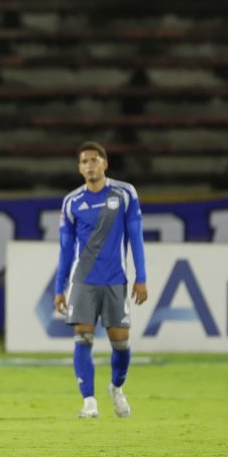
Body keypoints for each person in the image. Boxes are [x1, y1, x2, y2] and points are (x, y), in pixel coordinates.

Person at [54, 141, 148, 419]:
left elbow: (136, 238)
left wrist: (141, 278)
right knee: (82, 338)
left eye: (94, 160)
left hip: (115, 280)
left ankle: (116, 388)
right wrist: (60, 288)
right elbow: (66, 249)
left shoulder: (125, 193)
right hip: (83, 281)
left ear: (105, 163)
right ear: (79, 168)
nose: (89, 165)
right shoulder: (72, 202)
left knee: (120, 343)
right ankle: (89, 402)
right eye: (84, 162)